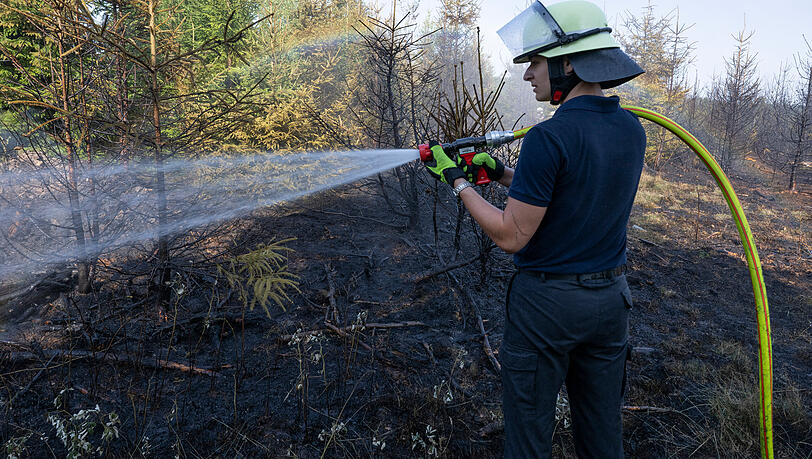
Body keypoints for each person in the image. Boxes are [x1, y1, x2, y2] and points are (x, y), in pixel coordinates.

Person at [423, 1, 647, 457]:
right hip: (610, 304)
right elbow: (577, 191)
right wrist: (505, 174)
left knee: (528, 439)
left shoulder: (549, 137)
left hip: (549, 309)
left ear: (570, 62)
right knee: (603, 439)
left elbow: (510, 235)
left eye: (536, 63)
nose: (528, 75)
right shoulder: (631, 129)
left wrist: (458, 181)